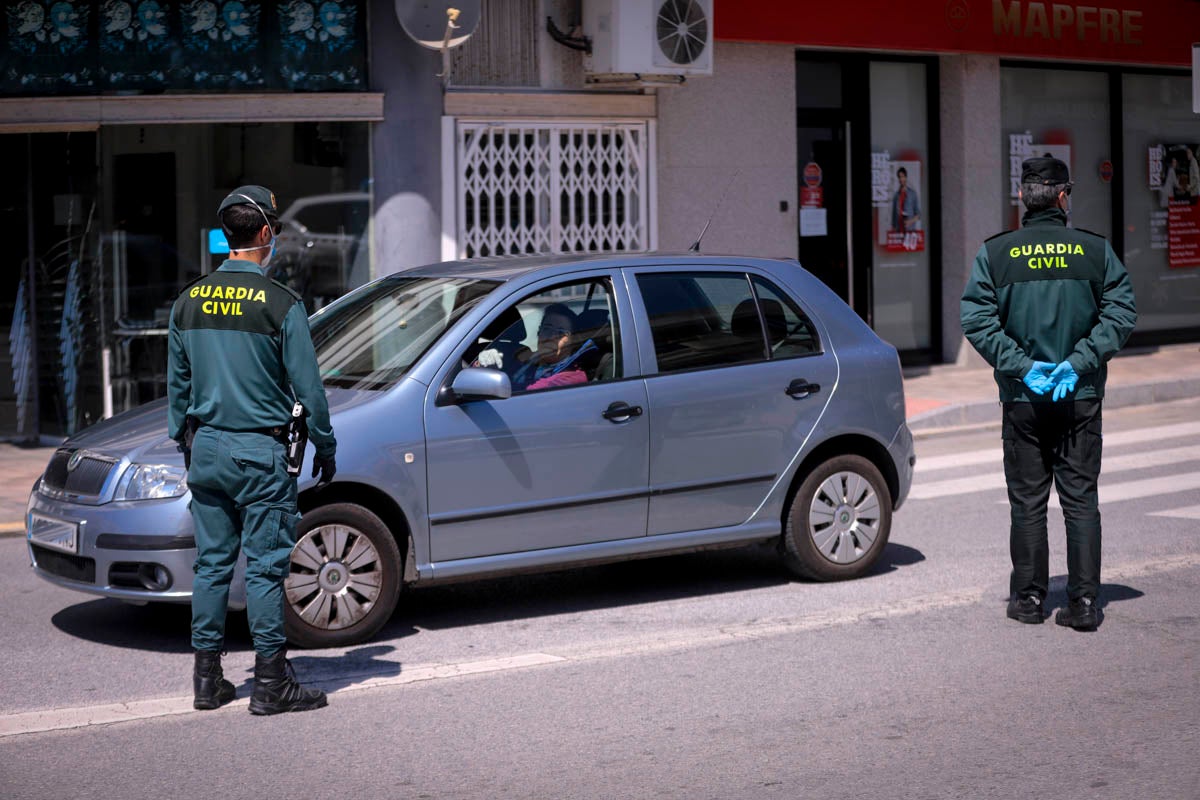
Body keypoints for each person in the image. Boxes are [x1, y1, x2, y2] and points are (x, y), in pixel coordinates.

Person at [167, 185, 337, 714]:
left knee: (212, 566)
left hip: (207, 447)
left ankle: (207, 680)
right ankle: (270, 684)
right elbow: (309, 391)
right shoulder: (281, 304)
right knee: (264, 568)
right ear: (265, 233)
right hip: (260, 454)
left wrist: (185, 440)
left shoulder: (188, 301)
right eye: (275, 231)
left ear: (227, 235)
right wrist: (325, 444)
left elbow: (177, 388)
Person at [960, 157, 1136, 632]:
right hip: (1080, 395)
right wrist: (1078, 362)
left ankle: (1029, 599)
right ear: (1062, 197)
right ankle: (1084, 603)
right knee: (1080, 500)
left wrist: (1022, 367)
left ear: (1023, 196)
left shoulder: (996, 254)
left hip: (1024, 398)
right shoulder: (1094, 250)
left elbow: (976, 319)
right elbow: (1121, 314)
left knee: (1027, 503)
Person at [510, 303, 594, 391]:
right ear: (539, 332)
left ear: (573, 341)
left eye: (561, 333)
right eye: (547, 329)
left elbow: (525, 393)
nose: (551, 337)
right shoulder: (524, 359)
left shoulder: (571, 376)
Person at [890, 166, 921, 232]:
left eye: (903, 176)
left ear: (906, 177)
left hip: (910, 230)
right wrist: (893, 231)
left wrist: (910, 221)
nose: (901, 179)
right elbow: (893, 217)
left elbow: (918, 215)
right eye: (899, 177)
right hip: (898, 231)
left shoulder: (913, 194)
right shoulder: (896, 196)